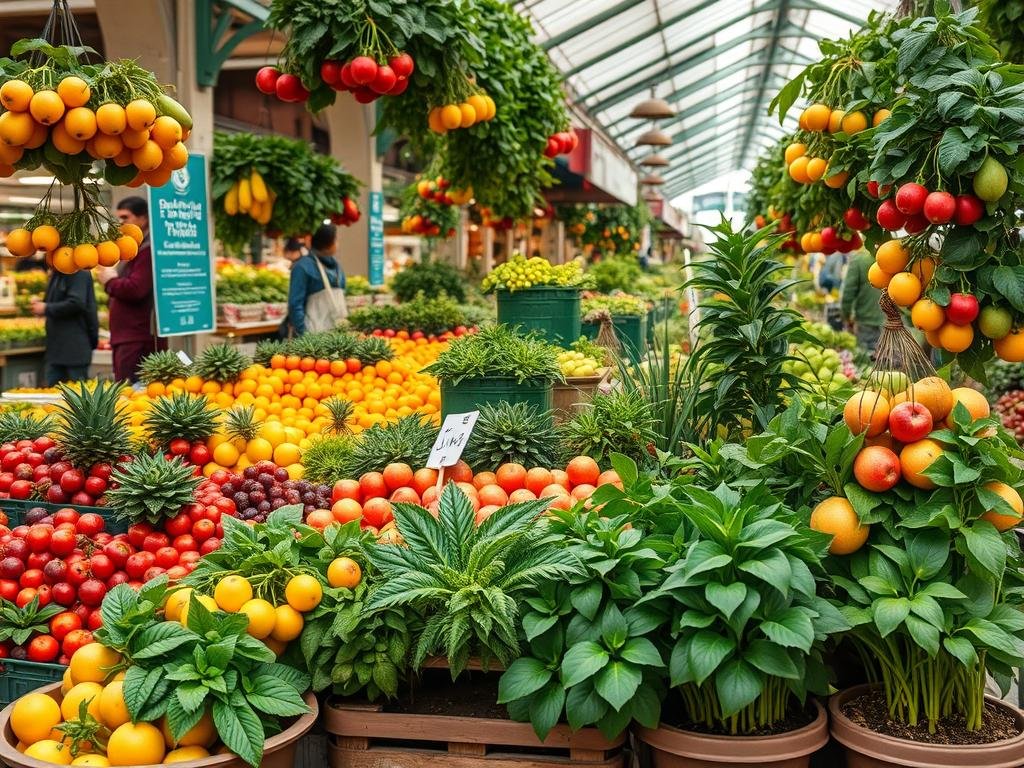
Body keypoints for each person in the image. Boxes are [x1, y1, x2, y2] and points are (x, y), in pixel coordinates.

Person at [96, 197, 166, 382]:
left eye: (125, 217)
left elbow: (136, 289)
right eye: (118, 218)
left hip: (137, 337)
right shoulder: (132, 249)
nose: (120, 223)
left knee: (130, 391)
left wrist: (110, 281)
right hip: (128, 335)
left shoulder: (147, 250)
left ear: (143, 219)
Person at [31, 268, 98, 386]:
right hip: (56, 350)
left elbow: (77, 302)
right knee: (53, 393)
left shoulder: (78, 272)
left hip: (74, 350)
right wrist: (43, 305)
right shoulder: (57, 272)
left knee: (76, 394)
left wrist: (46, 308)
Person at [287, 224, 345, 335]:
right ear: (328, 243)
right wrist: (305, 335)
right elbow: (295, 305)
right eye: (336, 239)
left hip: (338, 334)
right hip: (313, 336)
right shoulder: (302, 267)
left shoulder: (336, 266)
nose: (337, 243)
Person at [840, 250, 885, 356]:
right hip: (889, 321)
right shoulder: (890, 258)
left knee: (866, 359)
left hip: (866, 319)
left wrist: (846, 316)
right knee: (885, 360)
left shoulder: (859, 260)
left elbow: (848, 292)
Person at [277, 238, 309, 339]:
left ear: (290, 251)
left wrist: (301, 330)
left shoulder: (299, 267)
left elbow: (295, 303)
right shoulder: (303, 263)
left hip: (302, 320)